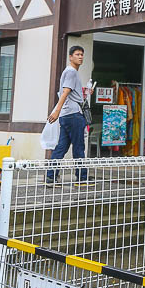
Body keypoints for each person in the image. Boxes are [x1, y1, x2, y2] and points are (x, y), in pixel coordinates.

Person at [47, 45, 89, 184]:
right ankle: (82, 178)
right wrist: (56, 111)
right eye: (77, 54)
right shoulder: (72, 72)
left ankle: (51, 176)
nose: (80, 57)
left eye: (82, 54)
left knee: (61, 147)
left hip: (66, 115)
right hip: (74, 115)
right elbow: (66, 91)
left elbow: (70, 92)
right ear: (70, 57)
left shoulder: (68, 71)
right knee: (78, 147)